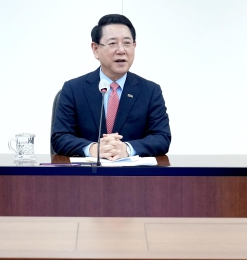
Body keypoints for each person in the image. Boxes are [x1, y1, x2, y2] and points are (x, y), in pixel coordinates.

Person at [52, 14, 171, 159]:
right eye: (113, 43)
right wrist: (93, 149)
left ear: (134, 46)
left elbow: (162, 137)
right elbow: (60, 137)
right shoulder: (73, 89)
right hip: (87, 172)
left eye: (127, 43)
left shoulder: (150, 91)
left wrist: (127, 149)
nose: (121, 50)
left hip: (133, 173)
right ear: (95, 49)